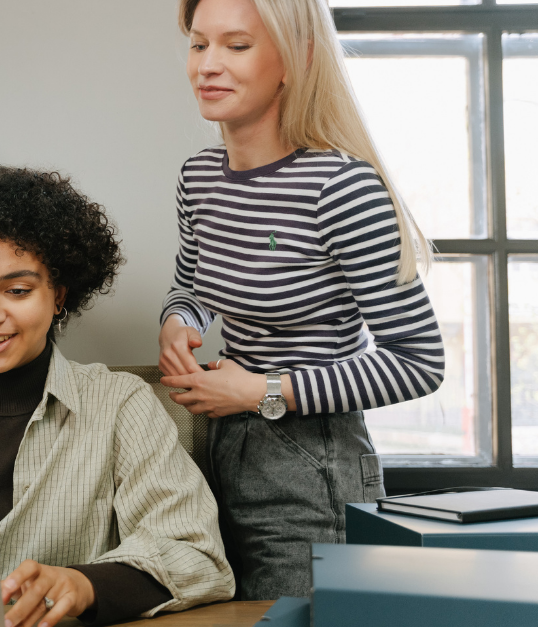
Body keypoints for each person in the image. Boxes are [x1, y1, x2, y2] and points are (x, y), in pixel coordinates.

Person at [158, 0, 446, 600]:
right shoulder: (199, 177)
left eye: (236, 46)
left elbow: (418, 362)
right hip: (218, 449)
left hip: (313, 463)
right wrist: (179, 322)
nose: (208, 65)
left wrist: (262, 390)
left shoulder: (342, 189)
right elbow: (192, 287)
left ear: (295, 60)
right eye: (198, 44)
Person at [0, 166, 235, 626]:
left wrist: (84, 585)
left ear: (58, 295)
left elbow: (198, 557)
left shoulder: (121, 405)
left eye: (17, 290)